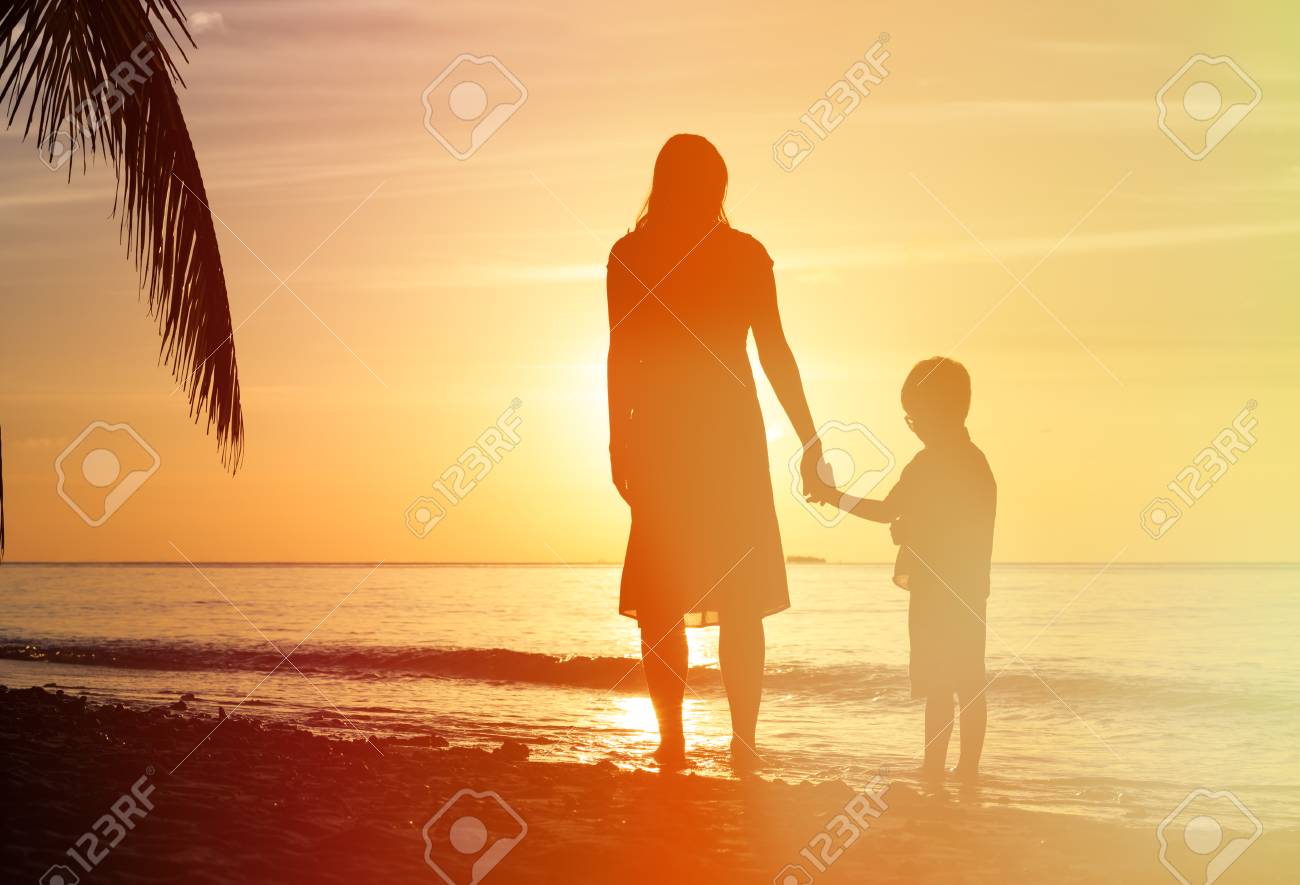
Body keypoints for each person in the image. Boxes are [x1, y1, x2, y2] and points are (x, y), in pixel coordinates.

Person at [606, 134, 830, 772]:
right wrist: (810, 440)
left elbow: (625, 357)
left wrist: (621, 439)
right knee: (721, 594)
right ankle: (727, 743)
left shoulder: (641, 252)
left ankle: (689, 742)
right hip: (714, 436)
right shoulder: (671, 254)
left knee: (674, 595)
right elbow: (772, 351)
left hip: (672, 435)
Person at [825, 357, 996, 780]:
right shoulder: (976, 462)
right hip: (970, 588)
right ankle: (963, 769)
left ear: (937, 410)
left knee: (942, 683)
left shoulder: (931, 463)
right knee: (968, 680)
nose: (913, 424)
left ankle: (938, 767)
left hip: (940, 592)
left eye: (914, 415)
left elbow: (889, 512)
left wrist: (834, 498)